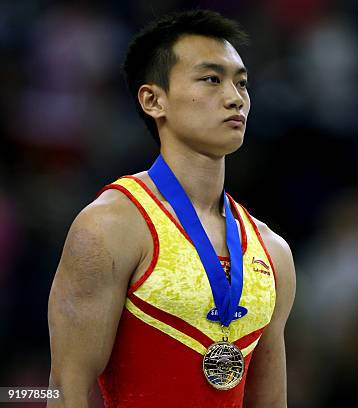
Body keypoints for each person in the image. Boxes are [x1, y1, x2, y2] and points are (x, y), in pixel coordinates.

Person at [47, 9, 296, 408]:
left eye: (242, 83)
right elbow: (65, 389)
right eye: (211, 79)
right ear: (153, 100)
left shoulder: (272, 251)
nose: (235, 98)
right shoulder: (112, 225)